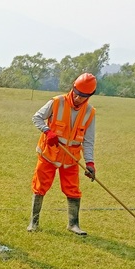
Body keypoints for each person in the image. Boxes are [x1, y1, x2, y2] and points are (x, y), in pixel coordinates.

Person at [28, 73, 98, 236]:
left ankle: (73, 224)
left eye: (83, 96)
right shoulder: (57, 102)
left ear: (89, 96)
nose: (78, 98)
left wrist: (90, 163)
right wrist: (47, 131)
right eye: (77, 93)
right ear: (73, 88)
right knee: (40, 187)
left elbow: (88, 141)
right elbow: (37, 118)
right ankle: (34, 222)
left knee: (73, 190)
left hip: (71, 159)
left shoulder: (90, 112)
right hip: (49, 154)